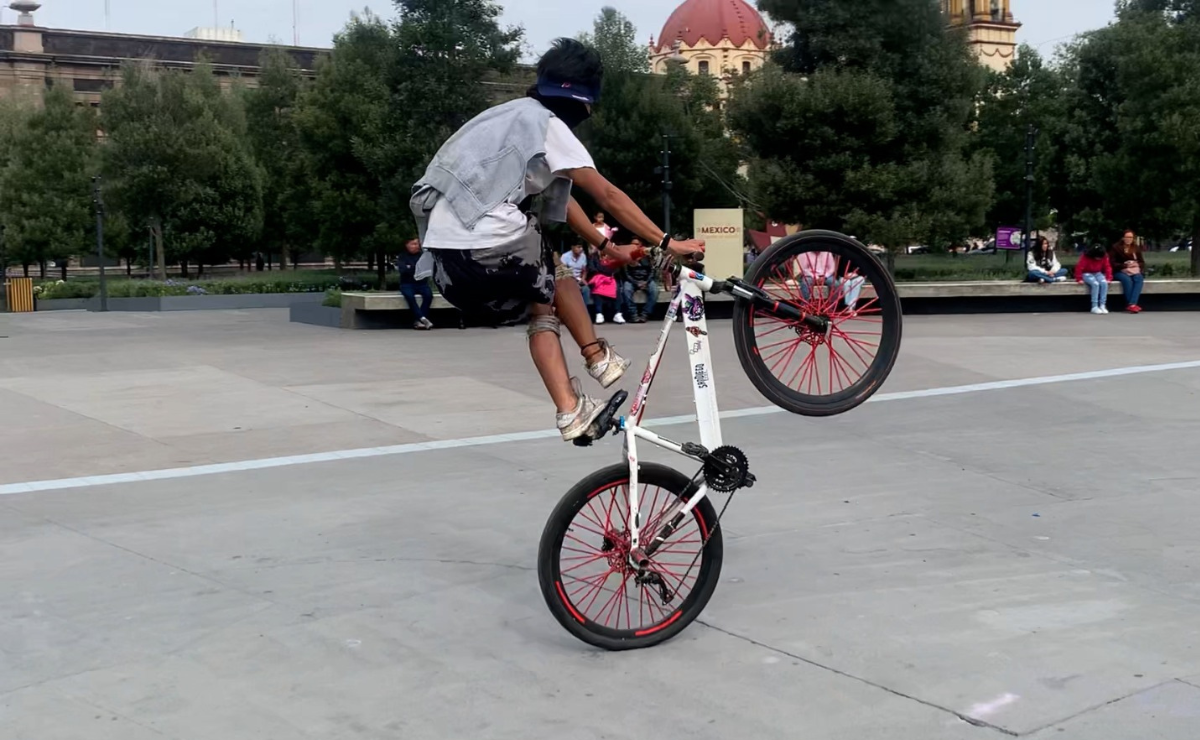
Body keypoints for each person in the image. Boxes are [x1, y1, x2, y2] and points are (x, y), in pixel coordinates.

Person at [409, 38, 705, 441]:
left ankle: (570, 412)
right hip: (488, 237)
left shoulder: (502, 118)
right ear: (584, 99)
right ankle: (598, 358)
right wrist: (667, 242)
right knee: (558, 270)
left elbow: (562, 204)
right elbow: (606, 194)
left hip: (447, 264)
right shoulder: (547, 124)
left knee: (541, 301)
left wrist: (607, 248)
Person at [397, 238, 435, 330]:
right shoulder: (402, 256)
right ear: (407, 245)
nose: (416, 246)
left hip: (421, 283)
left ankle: (420, 320)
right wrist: (415, 269)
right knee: (410, 297)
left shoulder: (423, 256)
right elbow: (403, 270)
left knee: (428, 295)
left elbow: (426, 270)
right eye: (413, 244)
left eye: (417, 244)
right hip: (407, 283)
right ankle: (422, 318)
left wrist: (410, 267)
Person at [621, 238, 659, 323]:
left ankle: (645, 314)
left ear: (640, 245)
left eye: (637, 244)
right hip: (632, 280)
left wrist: (646, 282)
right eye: (632, 244)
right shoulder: (627, 256)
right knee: (626, 289)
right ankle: (633, 314)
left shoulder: (647, 255)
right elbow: (626, 273)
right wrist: (636, 283)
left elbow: (652, 270)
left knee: (654, 290)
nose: (634, 246)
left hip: (646, 280)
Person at [1109, 230, 1146, 313]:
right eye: (1127, 237)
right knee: (1127, 280)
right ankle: (1132, 304)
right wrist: (1125, 265)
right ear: (1123, 238)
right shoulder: (1116, 247)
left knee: (1139, 278)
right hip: (1119, 271)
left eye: (1131, 237)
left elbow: (1142, 262)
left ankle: (1132, 304)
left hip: (1133, 271)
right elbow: (1112, 263)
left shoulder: (1136, 248)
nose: (1128, 239)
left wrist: (1136, 265)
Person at [1074, 244, 1113, 314]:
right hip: (1086, 273)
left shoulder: (1104, 256)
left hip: (1097, 273)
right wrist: (1079, 278)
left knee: (1104, 283)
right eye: (1098, 257)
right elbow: (1079, 267)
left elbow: (1107, 267)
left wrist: (1109, 278)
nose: (1099, 259)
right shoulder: (1085, 256)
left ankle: (1102, 305)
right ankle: (1094, 306)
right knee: (1095, 284)